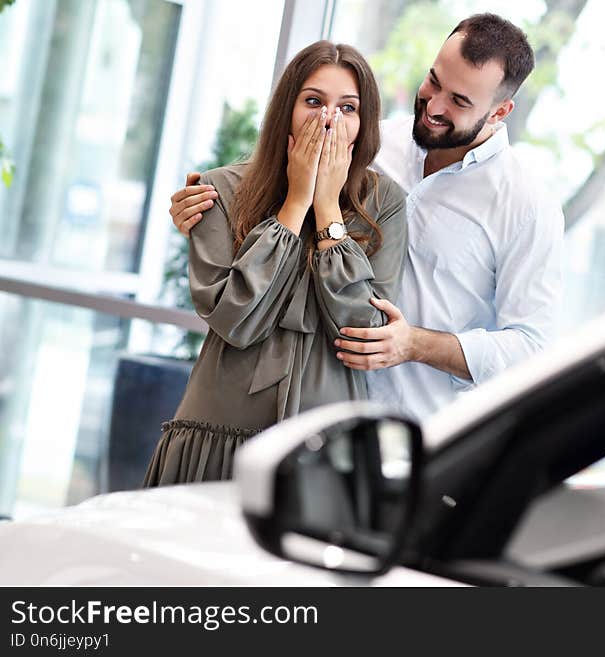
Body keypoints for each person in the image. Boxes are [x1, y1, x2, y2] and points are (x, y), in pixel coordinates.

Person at [169, 14, 563, 420]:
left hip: (421, 430)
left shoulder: (526, 206)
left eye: (460, 101)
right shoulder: (365, 142)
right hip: (312, 411)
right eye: (433, 81)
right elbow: (270, 187)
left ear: (500, 112)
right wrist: (204, 209)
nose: (434, 106)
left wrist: (415, 344)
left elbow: (531, 347)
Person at [144, 41, 408, 486]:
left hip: (326, 452)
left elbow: (363, 327)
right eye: (313, 101)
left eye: (348, 108)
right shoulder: (218, 190)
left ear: (364, 125)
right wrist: (296, 202)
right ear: (286, 108)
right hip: (216, 436)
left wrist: (326, 209)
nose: (329, 119)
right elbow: (234, 318)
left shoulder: (385, 203)